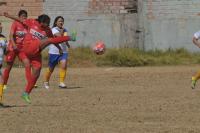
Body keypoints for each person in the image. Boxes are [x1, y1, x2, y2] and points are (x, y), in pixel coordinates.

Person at [2, 12, 77, 104]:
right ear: (42, 22)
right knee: (47, 40)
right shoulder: (32, 22)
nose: (48, 25)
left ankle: (26, 93)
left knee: (37, 71)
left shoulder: (47, 30)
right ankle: (70, 37)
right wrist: (9, 15)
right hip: (28, 46)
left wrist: (59, 48)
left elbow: (53, 40)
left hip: (36, 52)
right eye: (47, 23)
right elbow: (20, 20)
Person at [3, 10, 32, 91]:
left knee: (27, 63)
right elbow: (11, 35)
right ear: (19, 17)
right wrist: (14, 45)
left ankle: (30, 83)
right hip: (13, 47)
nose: (24, 17)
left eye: (25, 16)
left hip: (21, 49)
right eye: (22, 16)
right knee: (9, 67)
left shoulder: (27, 25)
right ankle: (4, 83)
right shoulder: (15, 23)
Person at [44, 16, 70, 89]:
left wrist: (67, 44)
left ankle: (61, 82)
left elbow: (65, 38)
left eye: (62, 21)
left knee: (64, 65)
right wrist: (63, 34)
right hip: (54, 52)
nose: (61, 22)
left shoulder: (65, 30)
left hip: (63, 51)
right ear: (56, 22)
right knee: (51, 68)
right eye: (59, 21)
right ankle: (46, 81)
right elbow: (59, 37)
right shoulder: (53, 29)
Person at [0, 22, 8, 103]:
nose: (1, 26)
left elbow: (6, 51)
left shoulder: (4, 38)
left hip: (0, 63)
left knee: (2, 80)